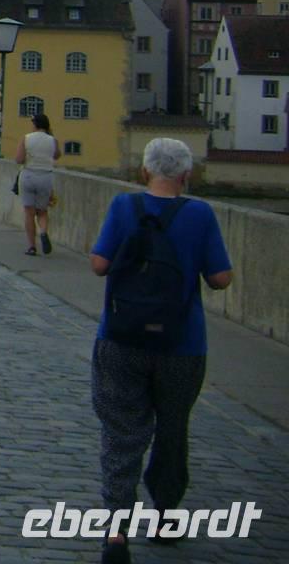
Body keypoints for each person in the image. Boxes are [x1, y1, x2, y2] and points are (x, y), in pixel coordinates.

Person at [89, 139, 232, 563]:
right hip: (182, 344)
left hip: (121, 338)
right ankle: (166, 517)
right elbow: (221, 278)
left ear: (144, 171)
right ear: (186, 175)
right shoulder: (200, 213)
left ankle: (116, 533)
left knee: (121, 432)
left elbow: (99, 264)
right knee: (172, 429)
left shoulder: (123, 206)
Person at [15, 112, 61, 256]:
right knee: (42, 211)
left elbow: (19, 159)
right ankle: (43, 232)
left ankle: (32, 247)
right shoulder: (52, 140)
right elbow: (57, 155)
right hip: (45, 177)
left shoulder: (26, 138)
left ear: (35, 124)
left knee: (29, 213)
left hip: (28, 176)